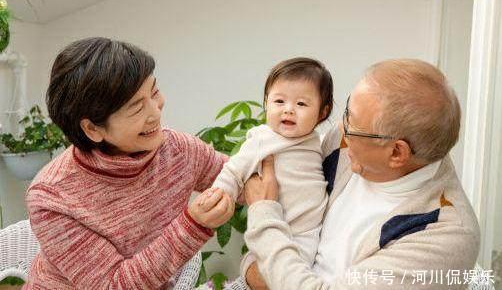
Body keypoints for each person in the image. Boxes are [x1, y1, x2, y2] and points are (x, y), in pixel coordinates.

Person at [243, 59, 480, 290]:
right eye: (348, 111)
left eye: (352, 124)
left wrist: (263, 215)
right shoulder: (343, 148)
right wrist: (256, 271)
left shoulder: (443, 237)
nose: (340, 128)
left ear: (397, 153)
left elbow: (267, 223)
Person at [23, 37, 234, 289]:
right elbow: (114, 285)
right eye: (136, 107)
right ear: (92, 128)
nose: (156, 112)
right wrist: (193, 225)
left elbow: (237, 176)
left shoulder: (177, 148)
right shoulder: (51, 197)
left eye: (154, 91)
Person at [208, 57, 333, 276]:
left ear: (323, 112)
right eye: (279, 102)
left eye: (301, 104)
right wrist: (220, 193)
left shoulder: (318, 140)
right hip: (278, 228)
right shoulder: (262, 139)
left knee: (301, 275)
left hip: (310, 232)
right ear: (266, 103)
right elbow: (234, 170)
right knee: (283, 275)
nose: (288, 110)